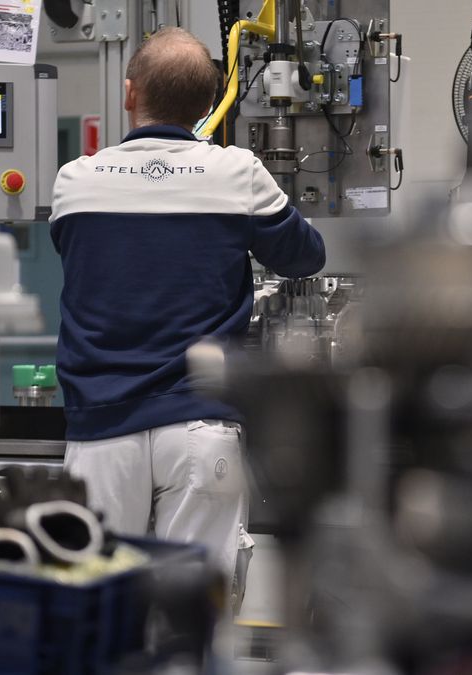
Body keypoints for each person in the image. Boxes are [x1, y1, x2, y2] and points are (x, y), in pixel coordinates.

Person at [49, 27, 326, 610]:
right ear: (208, 107)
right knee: (192, 626)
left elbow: (86, 257)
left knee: (94, 618)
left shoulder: (75, 181)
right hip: (201, 430)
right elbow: (307, 256)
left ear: (130, 94)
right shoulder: (238, 173)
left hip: (102, 430)